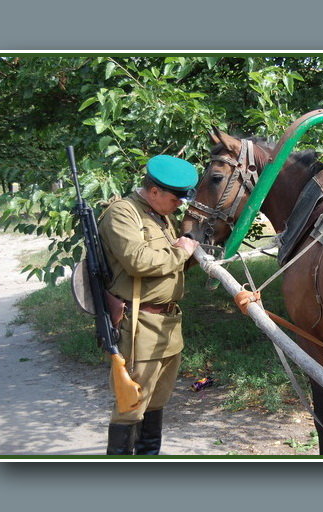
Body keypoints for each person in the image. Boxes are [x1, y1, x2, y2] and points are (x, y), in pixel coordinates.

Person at [98, 154, 200, 455]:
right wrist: (181, 251)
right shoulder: (123, 213)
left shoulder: (160, 214)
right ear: (153, 191)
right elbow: (138, 261)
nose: (179, 204)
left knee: (157, 401)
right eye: (175, 197)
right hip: (138, 326)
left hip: (168, 325)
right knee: (131, 404)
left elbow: (170, 262)